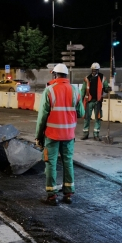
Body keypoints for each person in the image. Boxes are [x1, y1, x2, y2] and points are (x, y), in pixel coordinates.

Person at [35, 63, 84, 206]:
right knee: (68, 162)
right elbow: (81, 113)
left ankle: (52, 196)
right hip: (69, 135)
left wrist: (38, 135)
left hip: (52, 135)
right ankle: (68, 194)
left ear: (55, 75)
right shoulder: (75, 90)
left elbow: (42, 117)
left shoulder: (49, 90)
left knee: (51, 163)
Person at [80, 62, 109, 141]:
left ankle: (96, 134)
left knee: (98, 118)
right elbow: (83, 90)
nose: (94, 71)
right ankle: (85, 134)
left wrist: (108, 89)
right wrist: (80, 100)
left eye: (95, 70)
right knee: (87, 118)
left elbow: (106, 88)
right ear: (91, 70)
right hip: (89, 102)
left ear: (98, 70)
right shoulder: (87, 78)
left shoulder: (102, 78)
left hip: (97, 102)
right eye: (93, 70)